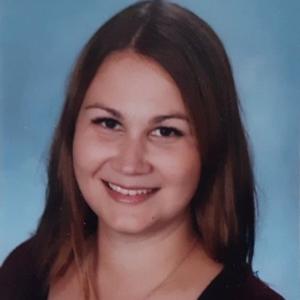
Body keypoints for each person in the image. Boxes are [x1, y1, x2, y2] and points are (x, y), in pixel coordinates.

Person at [0, 1, 285, 299]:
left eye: (166, 131)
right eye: (109, 123)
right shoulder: (24, 273)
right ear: (72, 129)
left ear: (211, 147)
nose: (130, 163)